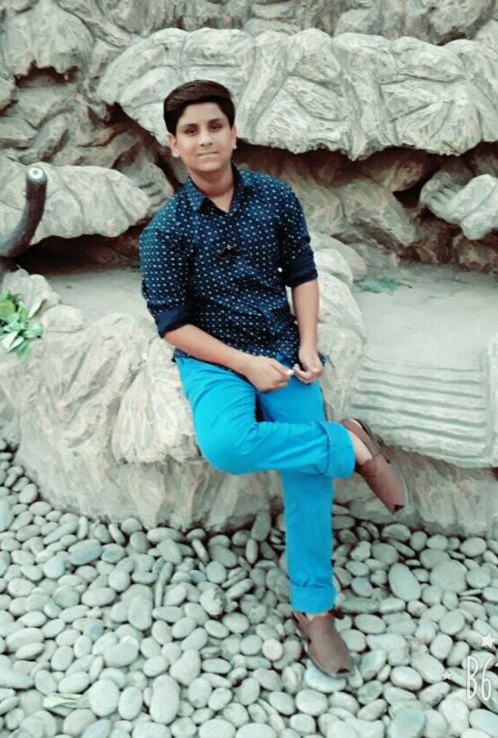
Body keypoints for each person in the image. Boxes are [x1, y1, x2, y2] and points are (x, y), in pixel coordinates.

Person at [138, 80, 409, 677]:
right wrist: (243, 364)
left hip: (284, 349)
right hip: (214, 360)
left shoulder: (276, 199)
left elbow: (303, 275)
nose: (205, 139)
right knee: (229, 446)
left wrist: (308, 345)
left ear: (234, 133)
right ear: (174, 145)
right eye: (190, 131)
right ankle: (349, 442)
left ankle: (315, 608)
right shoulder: (165, 232)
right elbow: (172, 325)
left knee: (308, 477)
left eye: (215, 126)